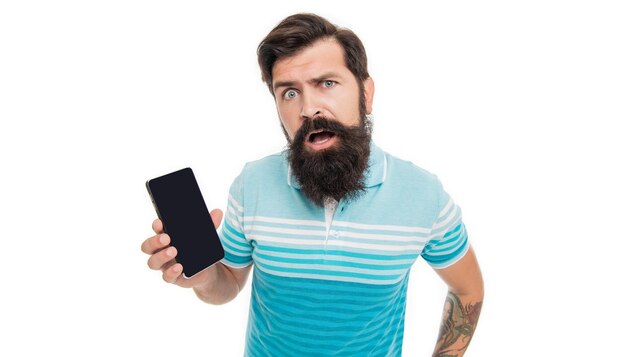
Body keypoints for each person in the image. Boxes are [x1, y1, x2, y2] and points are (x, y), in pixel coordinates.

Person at [141, 13, 484, 357]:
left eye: (326, 84)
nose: (308, 108)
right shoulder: (253, 183)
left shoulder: (423, 194)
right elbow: (227, 284)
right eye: (289, 93)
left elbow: (468, 290)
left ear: (366, 92)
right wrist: (201, 278)